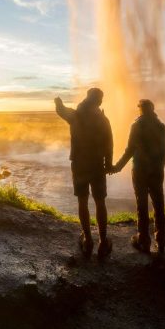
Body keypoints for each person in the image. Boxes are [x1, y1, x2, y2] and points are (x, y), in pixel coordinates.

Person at [55, 88, 113, 259]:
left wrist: (58, 102)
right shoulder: (103, 119)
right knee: (100, 201)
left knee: (82, 200)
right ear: (99, 101)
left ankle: (87, 240)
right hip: (97, 165)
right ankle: (103, 242)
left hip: (79, 164)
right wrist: (108, 164)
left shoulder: (76, 115)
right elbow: (109, 144)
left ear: (87, 98)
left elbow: (61, 110)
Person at [111, 99, 165, 253]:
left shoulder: (137, 125)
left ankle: (143, 239)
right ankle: (161, 240)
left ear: (141, 109)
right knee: (159, 204)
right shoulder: (161, 126)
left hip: (140, 170)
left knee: (141, 203)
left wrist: (118, 167)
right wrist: (159, 167)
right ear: (153, 109)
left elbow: (130, 149)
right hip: (157, 171)